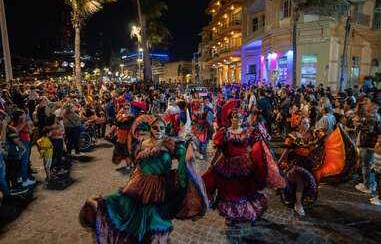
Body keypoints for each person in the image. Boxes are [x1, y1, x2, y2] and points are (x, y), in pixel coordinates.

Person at [80, 115, 207, 243]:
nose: (158, 130)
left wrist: (184, 172)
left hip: (160, 188)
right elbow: (137, 164)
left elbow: (183, 159)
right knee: (127, 209)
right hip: (139, 184)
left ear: (165, 129)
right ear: (150, 129)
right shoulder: (142, 144)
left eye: (161, 128)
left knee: (154, 217)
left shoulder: (170, 144)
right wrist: (133, 177)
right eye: (155, 127)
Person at [202, 100, 285, 226]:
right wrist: (212, 164)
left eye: (241, 117)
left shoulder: (248, 131)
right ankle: (230, 214)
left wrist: (261, 155)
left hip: (244, 165)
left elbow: (257, 144)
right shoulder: (224, 132)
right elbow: (220, 150)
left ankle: (243, 212)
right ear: (231, 118)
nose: (239, 119)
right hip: (228, 165)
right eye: (236, 117)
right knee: (228, 190)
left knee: (243, 190)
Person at [354, 96, 381, 195]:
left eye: (368, 103)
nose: (366, 105)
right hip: (370, 144)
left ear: (374, 106)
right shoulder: (373, 116)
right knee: (369, 165)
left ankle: (367, 186)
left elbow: (368, 130)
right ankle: (370, 184)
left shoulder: (372, 117)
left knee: (366, 165)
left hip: (367, 144)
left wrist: (358, 124)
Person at [371, 134, 381, 206]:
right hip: (377, 168)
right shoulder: (377, 144)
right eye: (378, 137)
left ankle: (380, 199)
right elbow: (375, 157)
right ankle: (379, 196)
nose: (379, 139)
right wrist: (373, 166)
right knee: (377, 183)